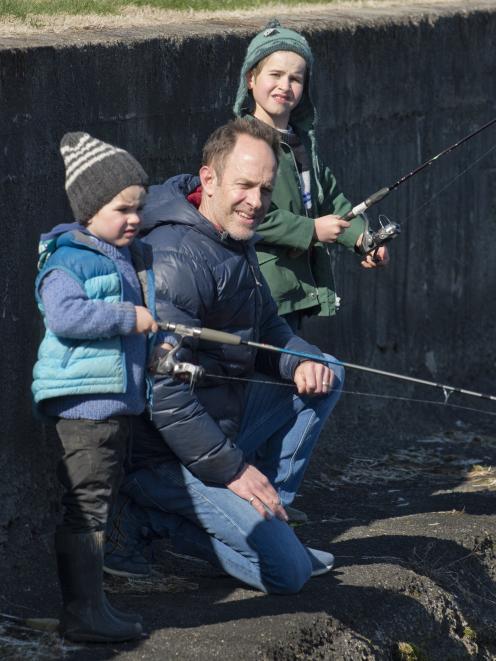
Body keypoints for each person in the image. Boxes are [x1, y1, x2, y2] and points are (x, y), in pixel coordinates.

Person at [104, 118, 345, 595]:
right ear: (209, 180)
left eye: (265, 188)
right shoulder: (177, 259)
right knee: (289, 574)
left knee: (327, 372)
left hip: (220, 426)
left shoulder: (230, 234)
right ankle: (146, 520)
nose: (255, 202)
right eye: (244, 186)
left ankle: (272, 518)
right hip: (163, 456)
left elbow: (267, 329)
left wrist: (299, 360)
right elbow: (165, 395)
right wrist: (234, 470)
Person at [31, 132, 158, 642]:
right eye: (122, 209)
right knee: (85, 504)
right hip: (85, 408)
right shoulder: (69, 259)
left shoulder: (119, 254)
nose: (134, 219)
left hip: (111, 403)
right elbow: (65, 315)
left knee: (97, 502)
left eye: (139, 208)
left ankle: (93, 606)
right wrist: (129, 316)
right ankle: (83, 613)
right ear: (89, 210)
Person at [233, 19, 388, 332]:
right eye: (274, 75)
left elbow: (331, 199)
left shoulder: (302, 142)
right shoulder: (240, 142)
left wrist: (362, 238)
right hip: (261, 290)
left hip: (297, 290)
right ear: (251, 78)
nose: (285, 86)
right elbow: (245, 211)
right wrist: (311, 229)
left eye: (296, 78)